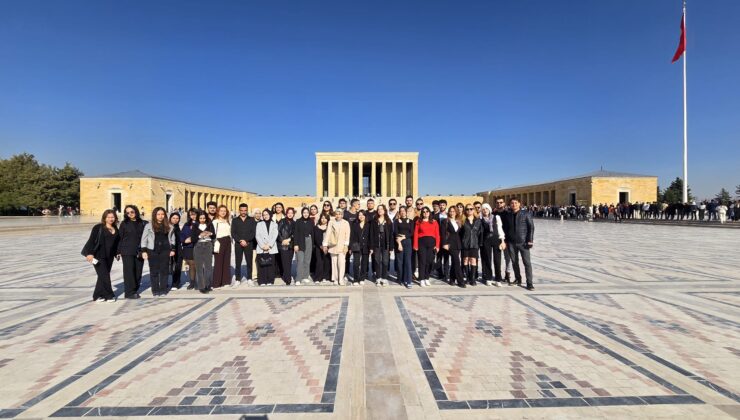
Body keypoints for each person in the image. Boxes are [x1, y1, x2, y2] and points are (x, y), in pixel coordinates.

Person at [82, 209, 120, 302]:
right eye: (109, 217)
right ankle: (109, 295)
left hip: (109, 257)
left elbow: (116, 243)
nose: (111, 219)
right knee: (105, 275)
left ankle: (97, 295)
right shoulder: (98, 227)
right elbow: (91, 240)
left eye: (112, 217)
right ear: (105, 218)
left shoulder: (115, 228)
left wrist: (117, 253)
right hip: (98, 256)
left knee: (102, 276)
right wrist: (89, 253)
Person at [141, 207, 176, 296]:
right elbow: (144, 239)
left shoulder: (169, 226)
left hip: (165, 250)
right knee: (154, 271)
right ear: (155, 215)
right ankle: (155, 290)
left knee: (164, 270)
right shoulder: (149, 226)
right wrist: (144, 251)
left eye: (162, 214)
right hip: (152, 250)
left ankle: (163, 289)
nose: (160, 216)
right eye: (158, 214)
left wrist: (173, 249)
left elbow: (172, 238)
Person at [503, 198, 535, 290]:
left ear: (519, 204)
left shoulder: (526, 214)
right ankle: (518, 278)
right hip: (511, 242)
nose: (514, 204)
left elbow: (531, 227)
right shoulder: (508, 215)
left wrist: (530, 240)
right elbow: (505, 228)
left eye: (515, 203)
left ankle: (529, 282)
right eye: (512, 203)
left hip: (523, 242)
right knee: (514, 262)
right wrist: (505, 240)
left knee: (527, 263)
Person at [117, 205, 146, 299]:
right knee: (129, 271)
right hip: (127, 250)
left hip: (140, 251)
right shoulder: (124, 223)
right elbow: (120, 238)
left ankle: (135, 289)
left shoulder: (143, 223)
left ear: (136, 211)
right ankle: (129, 292)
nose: (130, 214)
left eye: (132, 212)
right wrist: (118, 251)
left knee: (138, 271)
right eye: (127, 213)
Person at [480, 203, 506, 286]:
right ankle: (488, 277)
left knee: (497, 260)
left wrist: (502, 240)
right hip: (486, 240)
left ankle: (498, 278)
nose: (485, 210)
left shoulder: (496, 217)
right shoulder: (480, 219)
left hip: (496, 239)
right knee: (487, 259)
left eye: (486, 209)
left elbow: (500, 229)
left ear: (489, 209)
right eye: (483, 209)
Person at [413, 206, 440, 287]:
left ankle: (426, 278)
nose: (425, 213)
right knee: (422, 261)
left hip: (432, 243)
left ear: (429, 212)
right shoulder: (418, 221)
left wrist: (437, 245)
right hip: (422, 243)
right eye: (424, 212)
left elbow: (437, 235)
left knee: (429, 262)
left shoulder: (434, 222)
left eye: (427, 211)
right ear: (422, 213)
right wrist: (415, 245)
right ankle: (421, 279)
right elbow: (416, 234)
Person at [324, 209, 351, 285]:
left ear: (342, 215)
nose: (338, 215)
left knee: (341, 263)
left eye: (340, 214)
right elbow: (328, 233)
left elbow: (347, 235)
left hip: (342, 246)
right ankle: (335, 278)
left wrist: (346, 245)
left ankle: (341, 279)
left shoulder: (346, 223)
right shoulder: (331, 222)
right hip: (333, 245)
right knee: (334, 262)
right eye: (337, 214)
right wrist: (325, 244)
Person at [232, 203, 256, 286]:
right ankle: (238, 279)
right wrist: (240, 241)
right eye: (242, 210)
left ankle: (249, 278)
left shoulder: (251, 220)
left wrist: (247, 241)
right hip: (238, 244)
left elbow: (253, 232)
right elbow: (233, 233)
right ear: (239, 210)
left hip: (249, 244)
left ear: (247, 210)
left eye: (245, 210)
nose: (243, 212)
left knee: (249, 262)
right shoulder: (235, 220)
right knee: (238, 262)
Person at [440, 205, 464, 287]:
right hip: (450, 243)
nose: (452, 213)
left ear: (456, 212)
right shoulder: (445, 221)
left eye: (453, 211)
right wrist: (444, 244)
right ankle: (460, 281)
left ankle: (452, 279)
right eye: (450, 211)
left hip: (457, 243)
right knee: (457, 261)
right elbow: (443, 234)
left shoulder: (458, 221)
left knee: (454, 262)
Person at [460, 204, 483, 286]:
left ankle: (472, 278)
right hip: (465, 244)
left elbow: (480, 233)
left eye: (471, 209)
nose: (469, 210)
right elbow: (460, 233)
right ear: (465, 210)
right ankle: (467, 277)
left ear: (474, 210)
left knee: (473, 260)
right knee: (465, 260)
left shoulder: (478, 221)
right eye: (467, 209)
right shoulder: (463, 220)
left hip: (474, 244)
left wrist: (480, 243)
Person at [191, 211, 215, 293]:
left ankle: (207, 285)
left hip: (208, 245)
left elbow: (214, 234)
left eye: (204, 218)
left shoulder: (209, 224)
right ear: (198, 218)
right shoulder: (194, 226)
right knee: (199, 267)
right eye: (200, 218)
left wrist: (209, 233)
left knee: (208, 267)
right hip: (198, 245)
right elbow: (193, 238)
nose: (202, 220)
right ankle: (201, 286)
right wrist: (200, 235)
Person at [370, 204, 393, 286]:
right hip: (377, 244)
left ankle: (384, 278)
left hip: (386, 244)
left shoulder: (389, 221)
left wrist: (391, 247)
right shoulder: (374, 221)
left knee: (385, 261)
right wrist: (371, 247)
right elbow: (371, 234)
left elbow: (391, 235)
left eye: (381, 209)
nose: (380, 210)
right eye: (378, 209)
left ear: (384, 210)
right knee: (377, 261)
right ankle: (378, 277)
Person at [256, 209, 279, 286]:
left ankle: (270, 280)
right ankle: (262, 280)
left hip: (271, 247)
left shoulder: (274, 224)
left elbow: (275, 235)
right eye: (264, 215)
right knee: (262, 264)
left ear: (270, 215)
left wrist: (269, 245)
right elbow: (257, 235)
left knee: (270, 264)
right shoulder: (259, 224)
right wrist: (263, 246)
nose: (266, 216)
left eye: (267, 214)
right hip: (261, 247)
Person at [211, 205, 232, 289]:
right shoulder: (215, 221)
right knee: (218, 262)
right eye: (221, 211)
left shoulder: (227, 221)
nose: (223, 212)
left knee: (227, 261)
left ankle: (226, 281)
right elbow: (213, 233)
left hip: (227, 241)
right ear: (218, 212)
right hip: (219, 241)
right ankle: (216, 282)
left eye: (224, 211)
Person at [349, 210, 371, 285]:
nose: (361, 216)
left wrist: (371, 248)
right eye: (359, 215)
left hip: (366, 246)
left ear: (365, 216)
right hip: (356, 246)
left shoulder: (368, 225)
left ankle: (362, 278)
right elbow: (351, 236)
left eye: (362, 215)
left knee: (364, 263)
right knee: (356, 263)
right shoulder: (354, 224)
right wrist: (350, 247)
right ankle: (355, 279)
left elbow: (371, 237)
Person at [493, 198, 512, 282]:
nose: (499, 204)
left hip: (507, 239)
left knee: (507, 257)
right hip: (496, 239)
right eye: (497, 203)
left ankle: (507, 274)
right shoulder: (493, 214)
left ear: (504, 203)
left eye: (501, 202)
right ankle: (498, 274)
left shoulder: (508, 214)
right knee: (497, 258)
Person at [394, 206, 414, 288]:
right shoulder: (396, 221)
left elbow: (412, 233)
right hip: (399, 242)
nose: (402, 212)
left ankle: (408, 280)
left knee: (408, 262)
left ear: (406, 212)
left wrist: (404, 237)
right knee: (400, 262)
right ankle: (401, 279)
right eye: (401, 211)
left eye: (404, 211)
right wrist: (399, 243)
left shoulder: (411, 221)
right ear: (399, 212)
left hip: (408, 242)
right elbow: (395, 232)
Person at [294, 207, 314, 284]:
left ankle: (305, 276)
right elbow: (296, 233)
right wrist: (295, 244)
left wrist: (313, 244)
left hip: (309, 241)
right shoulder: (298, 221)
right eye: (304, 212)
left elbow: (312, 233)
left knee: (307, 260)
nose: (306, 214)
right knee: (300, 260)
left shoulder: (311, 221)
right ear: (302, 213)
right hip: (300, 241)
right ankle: (298, 278)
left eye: (307, 213)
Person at [180, 208, 198, 290]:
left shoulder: (200, 223)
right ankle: (192, 282)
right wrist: (184, 240)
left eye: (194, 214)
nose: (193, 216)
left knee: (198, 264)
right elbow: (182, 235)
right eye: (191, 214)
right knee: (191, 264)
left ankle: (198, 281)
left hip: (198, 246)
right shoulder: (186, 225)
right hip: (188, 247)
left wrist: (193, 238)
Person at [277, 207, 296, 285]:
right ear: (286, 213)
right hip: (283, 245)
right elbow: (277, 232)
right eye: (288, 213)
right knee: (285, 262)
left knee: (289, 262)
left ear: (293, 214)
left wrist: (289, 239)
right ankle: (288, 279)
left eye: (291, 213)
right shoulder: (281, 221)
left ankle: (286, 275)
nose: (290, 214)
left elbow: (295, 233)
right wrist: (282, 240)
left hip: (290, 245)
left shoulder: (295, 223)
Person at [313, 213, 331, 284]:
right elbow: (316, 238)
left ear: (328, 219)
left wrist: (326, 246)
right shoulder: (316, 227)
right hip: (318, 247)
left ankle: (325, 277)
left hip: (328, 247)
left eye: (325, 218)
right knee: (319, 262)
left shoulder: (329, 227)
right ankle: (318, 278)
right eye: (322, 218)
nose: (323, 219)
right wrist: (320, 245)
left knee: (327, 262)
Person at [169, 212, 183, 289]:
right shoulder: (167, 227)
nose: (175, 220)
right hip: (169, 249)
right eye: (173, 218)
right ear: (170, 218)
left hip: (179, 249)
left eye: (177, 218)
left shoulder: (178, 227)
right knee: (167, 267)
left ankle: (175, 283)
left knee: (177, 267)